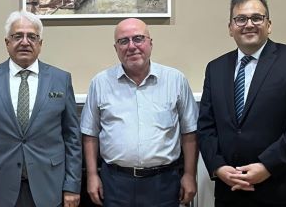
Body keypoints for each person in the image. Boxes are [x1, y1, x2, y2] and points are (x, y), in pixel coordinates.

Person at [197, 0, 286, 207]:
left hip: (281, 189)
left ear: (269, 25)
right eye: (240, 19)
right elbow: (206, 125)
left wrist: (267, 166)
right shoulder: (215, 68)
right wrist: (218, 167)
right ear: (230, 28)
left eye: (257, 18)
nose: (249, 24)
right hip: (230, 190)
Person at [0, 11, 82, 207]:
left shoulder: (61, 79)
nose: (25, 42)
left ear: (40, 43)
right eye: (18, 36)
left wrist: (72, 186)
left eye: (32, 36)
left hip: (49, 188)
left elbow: (72, 139)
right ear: (7, 42)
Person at [81, 18, 198, 207]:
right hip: (116, 183)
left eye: (138, 38)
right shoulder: (100, 83)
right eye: (123, 41)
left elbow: (189, 132)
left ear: (150, 43)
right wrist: (92, 175)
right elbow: (90, 134)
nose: (131, 46)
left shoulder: (175, 80)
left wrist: (190, 175)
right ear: (116, 48)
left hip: (164, 182)